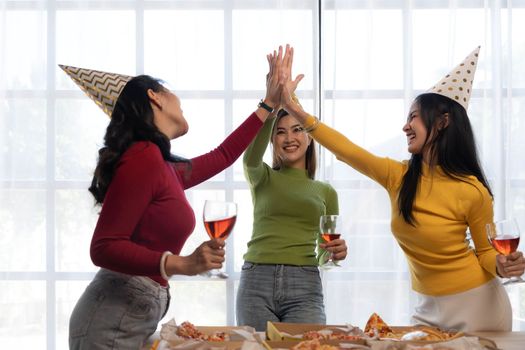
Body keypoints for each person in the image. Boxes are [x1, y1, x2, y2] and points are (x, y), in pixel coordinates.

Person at [280, 46, 525, 332]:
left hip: (478, 306)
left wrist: (502, 264)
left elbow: (484, 252)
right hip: (426, 308)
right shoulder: (398, 176)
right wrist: (294, 109)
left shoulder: (473, 190)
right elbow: (347, 151)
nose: (405, 126)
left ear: (443, 122)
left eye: (414, 117)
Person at [61, 45, 287, 350]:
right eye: (170, 91)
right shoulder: (143, 157)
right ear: (154, 96)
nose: (179, 102)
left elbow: (222, 155)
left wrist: (269, 104)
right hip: (110, 322)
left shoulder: (161, 165)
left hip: (124, 317)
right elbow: (103, 247)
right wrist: (181, 263)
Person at [236, 46, 348, 331]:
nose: (289, 138)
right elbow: (249, 155)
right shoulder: (261, 176)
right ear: (273, 140)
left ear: (309, 137)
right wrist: (271, 104)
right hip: (255, 280)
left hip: (305, 282)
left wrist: (334, 252)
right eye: (281, 132)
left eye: (297, 129)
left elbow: (324, 252)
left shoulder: (326, 192)